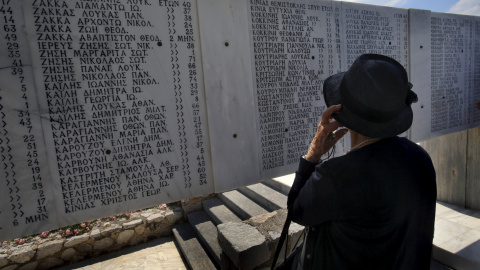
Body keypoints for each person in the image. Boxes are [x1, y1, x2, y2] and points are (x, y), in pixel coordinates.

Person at [286, 54, 437, 269]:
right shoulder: (420, 158)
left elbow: (297, 210)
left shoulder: (336, 176)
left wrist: (312, 155)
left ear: (340, 111)